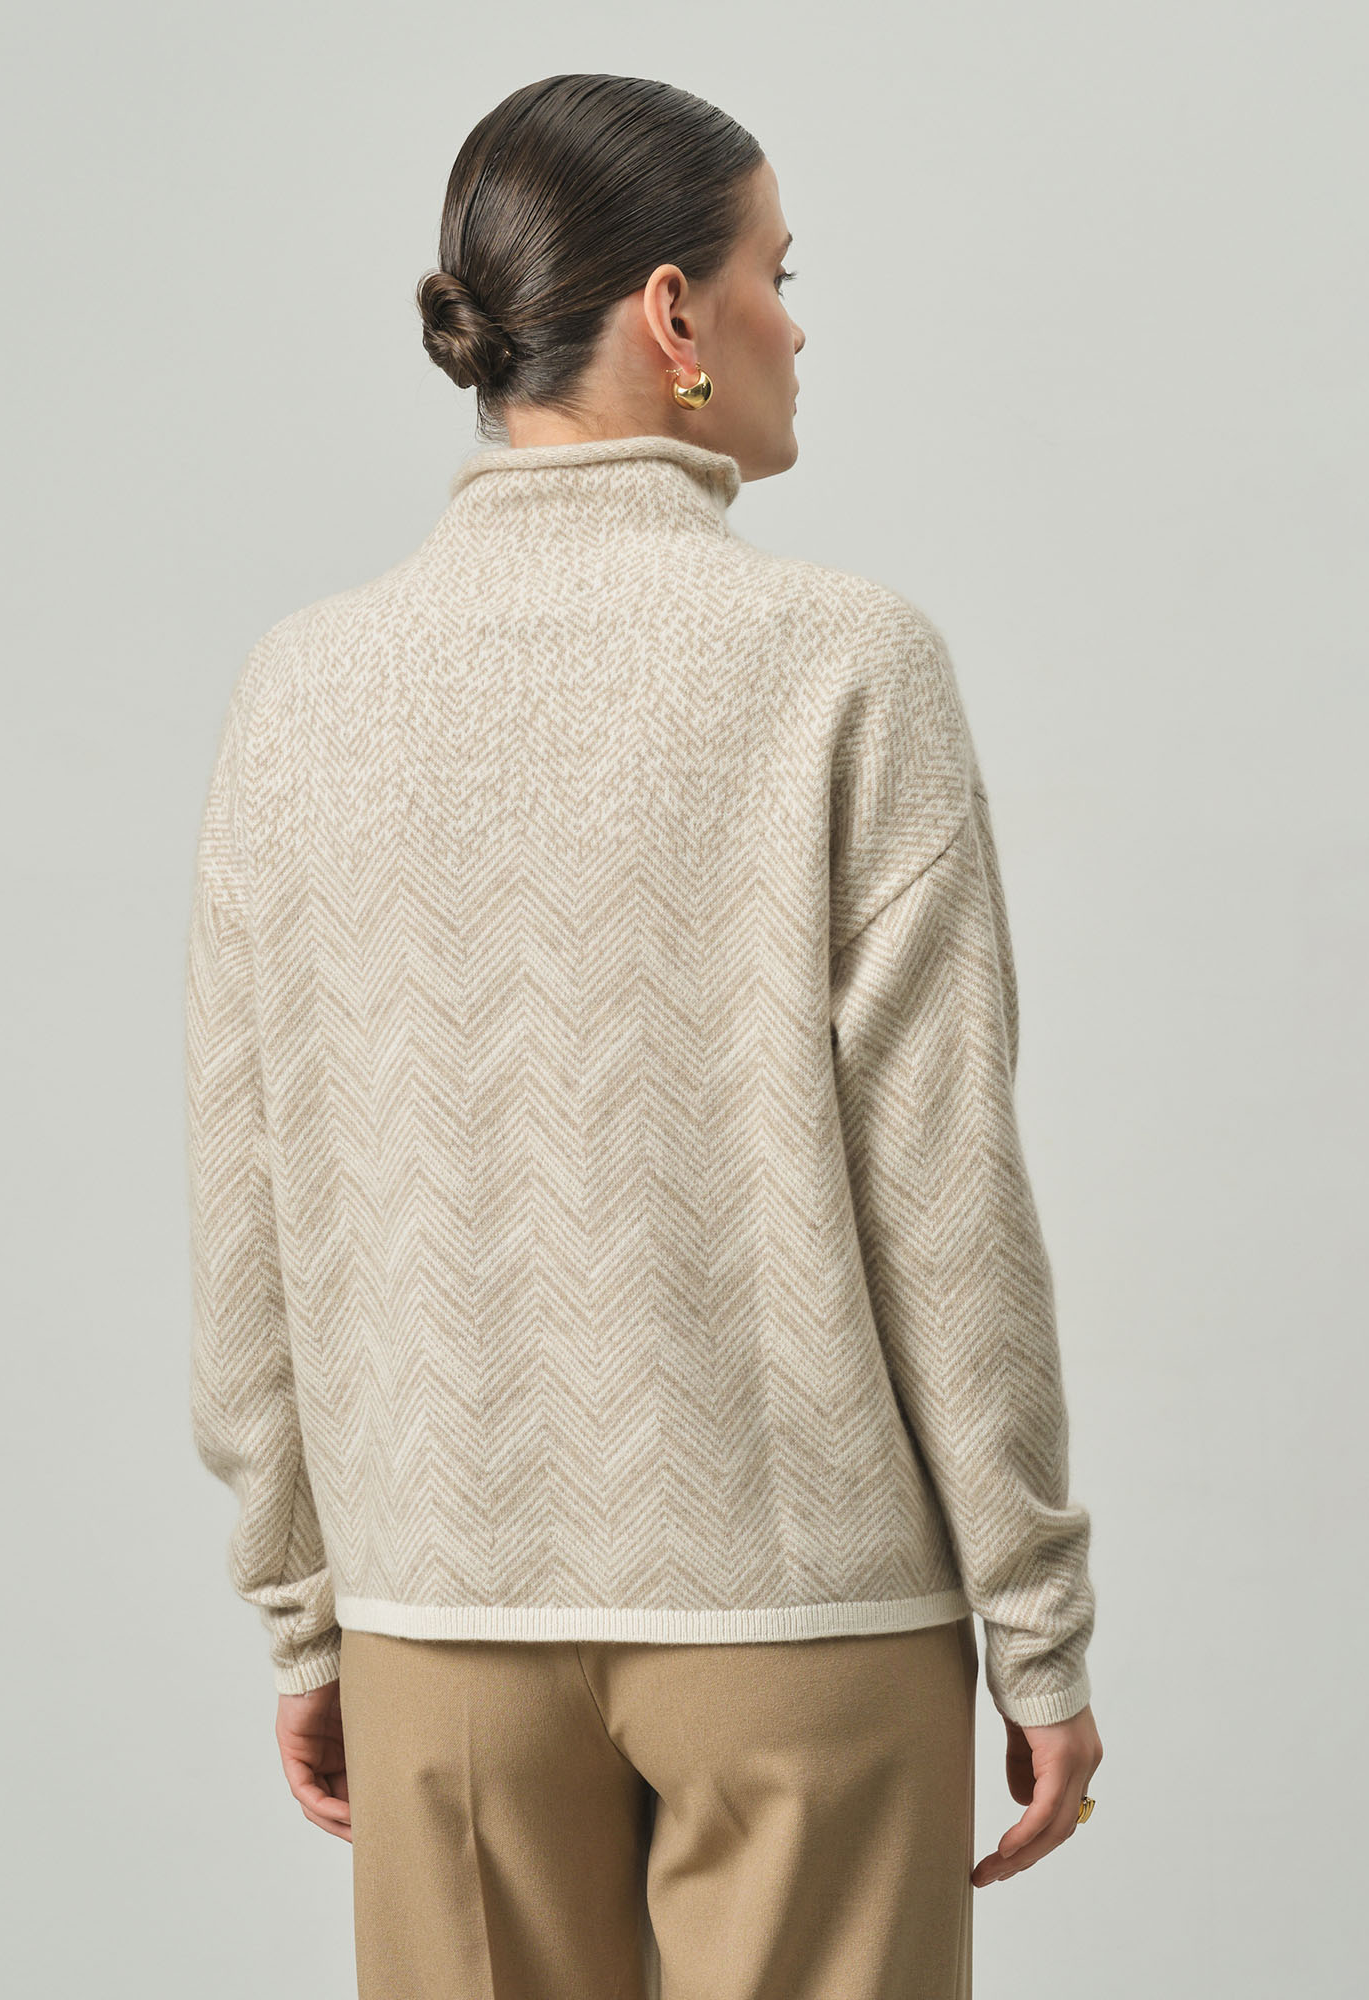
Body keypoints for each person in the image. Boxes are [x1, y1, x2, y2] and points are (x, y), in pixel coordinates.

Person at [184, 71, 1102, 2000]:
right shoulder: (845, 663)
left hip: (439, 1617)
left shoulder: (302, 689)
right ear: (676, 313)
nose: (799, 326)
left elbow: (245, 1191)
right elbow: (944, 1189)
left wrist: (306, 1609)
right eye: (781, 273)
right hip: (807, 1621)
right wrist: (1037, 1628)